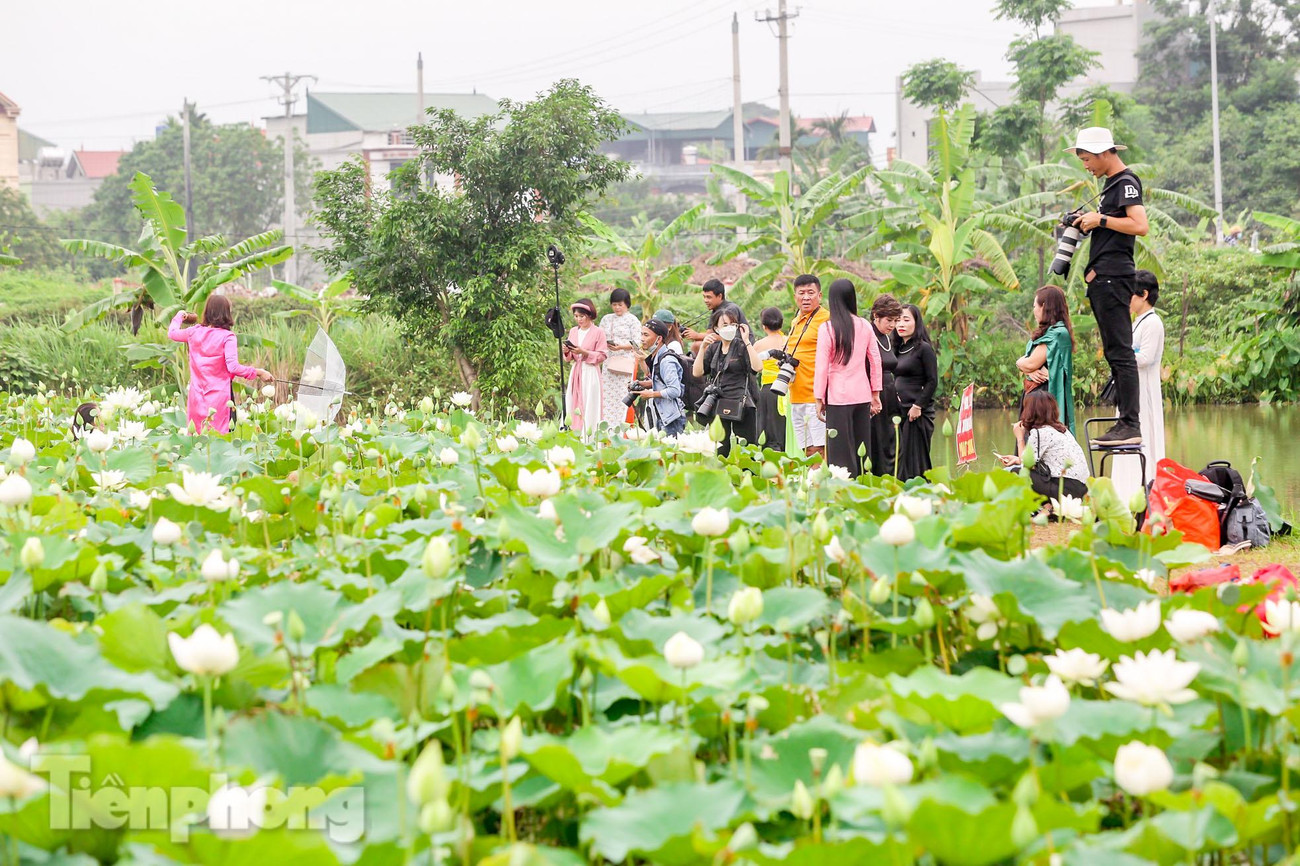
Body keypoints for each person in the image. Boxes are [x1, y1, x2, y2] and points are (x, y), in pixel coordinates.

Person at [1068, 126, 1148, 447]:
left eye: (1088, 159)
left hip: (1115, 277)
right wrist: (1086, 222)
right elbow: (1116, 226)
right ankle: (1125, 421)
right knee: (1115, 353)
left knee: (1121, 352)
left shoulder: (1126, 182)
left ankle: (1130, 423)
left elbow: (1140, 225)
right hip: (1105, 279)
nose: (1086, 166)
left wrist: (1099, 220)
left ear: (1104, 153)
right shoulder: (1110, 185)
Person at [168, 294, 272, 435]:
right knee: (219, 439)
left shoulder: (193, 332)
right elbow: (233, 367)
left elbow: (172, 333)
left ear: (207, 311)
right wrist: (259, 372)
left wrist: (180, 315)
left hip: (196, 397)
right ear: (226, 313)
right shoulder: (227, 337)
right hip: (219, 399)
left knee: (196, 438)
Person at [813, 279, 882, 477]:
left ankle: (842, 488)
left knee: (839, 453)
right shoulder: (865, 325)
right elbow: (875, 361)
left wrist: (819, 398)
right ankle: (863, 486)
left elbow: (821, 366)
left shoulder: (827, 328)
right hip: (862, 395)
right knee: (862, 449)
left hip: (837, 398)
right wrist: (875, 393)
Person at [1114, 270, 1166, 500]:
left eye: (1130, 295)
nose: (1126, 300)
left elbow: (1146, 357)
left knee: (1144, 438)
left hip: (1143, 393)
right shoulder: (1138, 322)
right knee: (1126, 440)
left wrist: (1120, 355)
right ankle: (1125, 493)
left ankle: (1145, 492)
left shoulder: (1153, 323)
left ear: (1144, 294)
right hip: (1131, 391)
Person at [693, 308, 762, 458]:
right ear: (716, 328)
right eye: (725, 325)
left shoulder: (742, 347)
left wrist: (747, 341)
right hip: (718, 402)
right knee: (720, 449)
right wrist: (703, 347)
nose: (729, 328)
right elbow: (697, 372)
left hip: (741, 402)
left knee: (747, 449)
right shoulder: (713, 349)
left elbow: (758, 367)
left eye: (733, 324)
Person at [1000, 390, 1089, 505]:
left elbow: (1025, 468)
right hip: (1080, 489)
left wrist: (1020, 437)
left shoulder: (1039, 433)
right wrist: (1017, 459)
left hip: (1066, 489)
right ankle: (1046, 507)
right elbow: (1039, 462)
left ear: (1030, 411)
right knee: (1013, 469)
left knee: (1014, 473)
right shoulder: (1062, 430)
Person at [1015, 285, 1075, 433]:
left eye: (1035, 306)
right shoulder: (1050, 333)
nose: (1034, 310)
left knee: (1040, 439)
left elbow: (1030, 363)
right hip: (1035, 394)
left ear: (1044, 307)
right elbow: (1030, 365)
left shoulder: (1057, 333)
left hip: (1044, 398)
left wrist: (1021, 364)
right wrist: (1028, 369)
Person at [784, 274, 831, 457]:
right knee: (807, 449)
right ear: (795, 296)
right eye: (801, 293)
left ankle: (822, 476)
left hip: (815, 396)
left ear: (819, 295)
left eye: (810, 293)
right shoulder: (796, 321)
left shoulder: (827, 318)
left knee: (820, 448)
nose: (806, 297)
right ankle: (812, 476)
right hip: (796, 393)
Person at [893, 304, 937, 481]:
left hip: (917, 414)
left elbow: (932, 381)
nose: (900, 324)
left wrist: (918, 405)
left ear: (916, 322)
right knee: (900, 459)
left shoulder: (923, 348)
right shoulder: (896, 348)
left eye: (906, 319)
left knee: (915, 461)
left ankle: (921, 491)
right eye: (897, 320)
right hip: (899, 412)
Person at [868, 294, 903, 478]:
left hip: (890, 394)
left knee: (893, 441)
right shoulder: (868, 335)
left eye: (896, 321)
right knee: (877, 440)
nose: (893, 325)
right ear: (876, 316)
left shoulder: (888, 338)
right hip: (874, 394)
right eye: (889, 320)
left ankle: (894, 479)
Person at [562, 298, 608, 439]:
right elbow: (569, 357)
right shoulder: (573, 331)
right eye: (576, 316)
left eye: (581, 316)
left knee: (590, 402)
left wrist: (584, 352)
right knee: (573, 401)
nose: (579, 319)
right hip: (576, 370)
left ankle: (590, 436)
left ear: (589, 315)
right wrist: (566, 351)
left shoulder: (598, 332)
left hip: (590, 371)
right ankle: (573, 433)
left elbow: (602, 355)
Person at [635, 319, 687, 436]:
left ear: (658, 339)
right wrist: (644, 384)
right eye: (641, 334)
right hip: (663, 416)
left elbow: (675, 390)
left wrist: (651, 394)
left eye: (646, 335)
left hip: (672, 419)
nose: (642, 339)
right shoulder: (657, 357)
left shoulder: (667, 360)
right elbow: (660, 381)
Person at [599, 288, 641, 429]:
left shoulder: (633, 320)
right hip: (609, 362)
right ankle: (606, 427)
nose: (617, 307)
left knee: (623, 394)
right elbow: (600, 338)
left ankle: (622, 427)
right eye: (614, 304)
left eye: (620, 305)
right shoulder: (606, 319)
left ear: (627, 304)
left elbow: (637, 343)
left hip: (626, 362)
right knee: (607, 395)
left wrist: (621, 346)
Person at [753, 306, 787, 452]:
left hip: (768, 390)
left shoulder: (759, 344)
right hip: (786, 389)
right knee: (784, 428)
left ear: (764, 326)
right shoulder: (788, 340)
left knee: (767, 429)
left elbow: (754, 367)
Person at [683, 279, 750, 350]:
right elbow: (709, 334)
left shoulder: (730, 310)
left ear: (720, 296)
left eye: (708, 297)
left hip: (741, 347)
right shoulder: (715, 310)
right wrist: (691, 334)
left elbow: (728, 336)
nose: (705, 300)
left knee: (698, 345)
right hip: (727, 344)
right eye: (704, 297)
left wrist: (697, 335)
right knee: (699, 344)